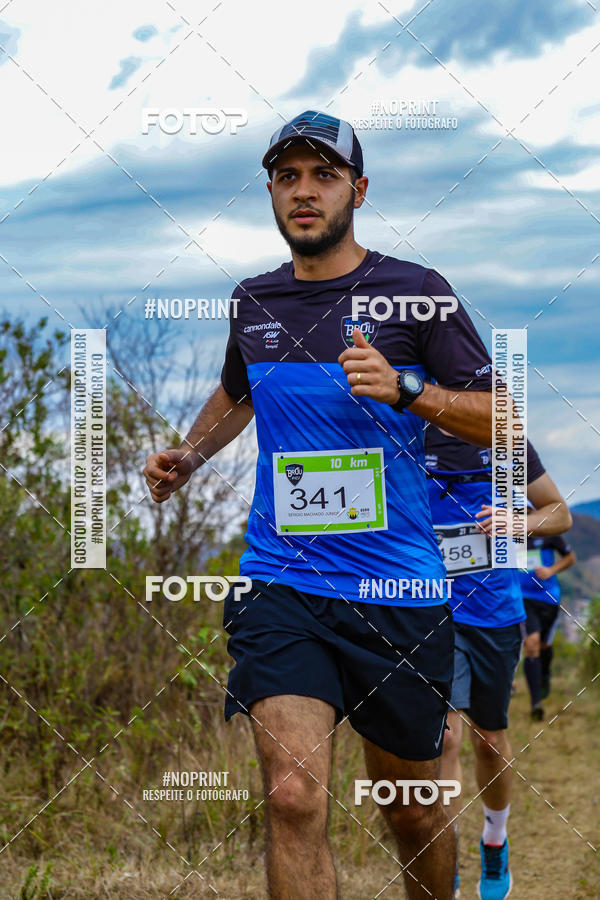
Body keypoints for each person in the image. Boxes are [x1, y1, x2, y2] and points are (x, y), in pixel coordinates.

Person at [144, 110, 497, 900]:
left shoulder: (416, 293)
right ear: (271, 191)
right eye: (287, 176)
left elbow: (502, 418)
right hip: (284, 584)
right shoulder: (255, 300)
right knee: (292, 795)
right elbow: (240, 390)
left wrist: (411, 389)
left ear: (358, 190)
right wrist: (191, 455)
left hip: (396, 592)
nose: (304, 192)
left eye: (323, 176)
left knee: (411, 809)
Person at [426, 427, 571, 899]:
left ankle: (494, 838)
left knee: (489, 741)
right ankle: (442, 858)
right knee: (445, 737)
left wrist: (518, 522)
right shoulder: (407, 429)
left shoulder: (505, 440)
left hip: (494, 616)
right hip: (431, 612)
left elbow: (559, 512)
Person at [520, 533, 576, 719]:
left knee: (544, 646)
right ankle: (536, 703)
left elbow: (570, 557)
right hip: (523, 598)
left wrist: (551, 570)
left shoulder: (548, 532)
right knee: (531, 644)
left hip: (548, 598)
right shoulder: (510, 532)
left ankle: (544, 674)